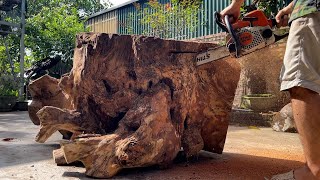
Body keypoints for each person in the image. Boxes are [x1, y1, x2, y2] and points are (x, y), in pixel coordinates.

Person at [221, 0, 320, 179]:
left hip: (312, 8)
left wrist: (236, 4)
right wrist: (290, 8)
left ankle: (314, 170)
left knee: (300, 82)